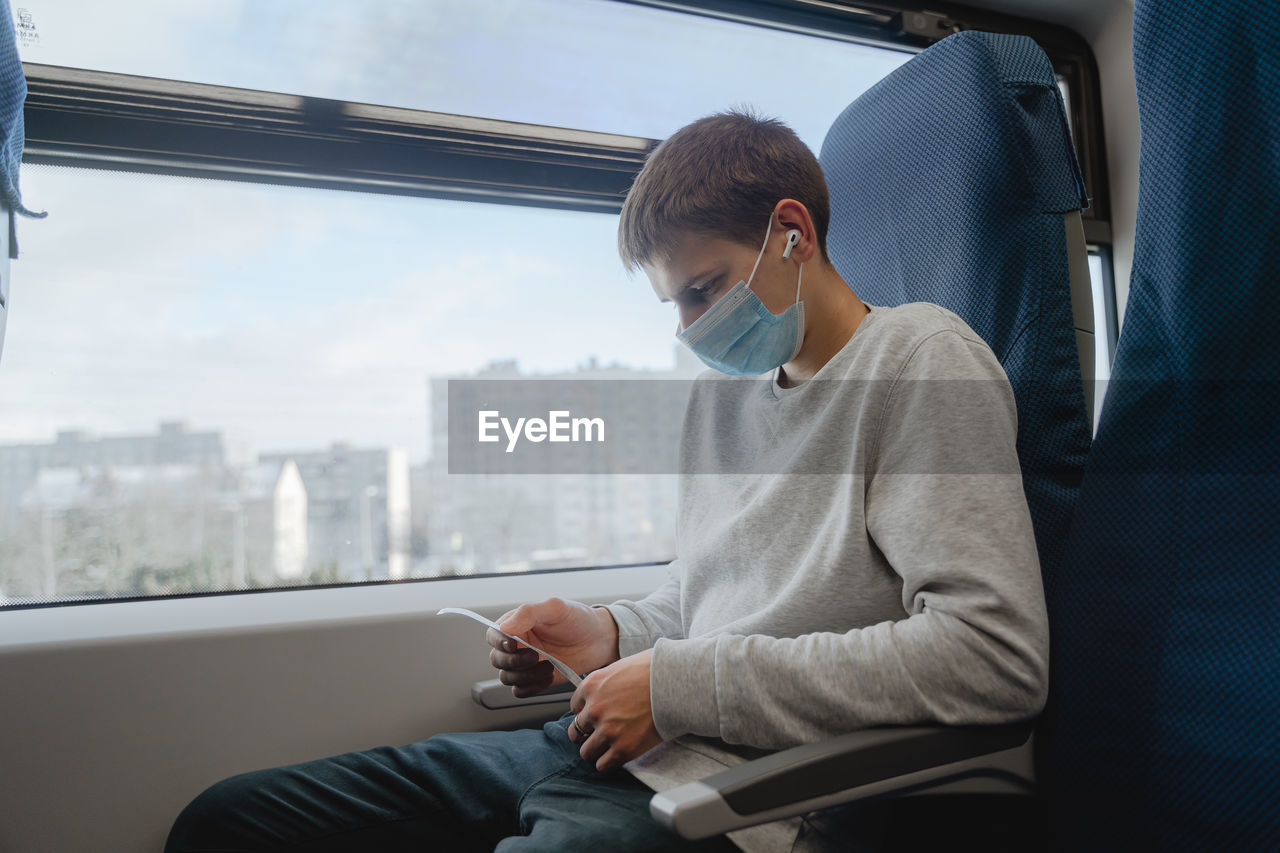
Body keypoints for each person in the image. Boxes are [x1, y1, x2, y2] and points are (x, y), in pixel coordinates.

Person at [164, 110, 1048, 853]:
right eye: (673, 303)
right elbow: (709, 599)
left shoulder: (921, 360)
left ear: (793, 233)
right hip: (605, 741)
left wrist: (677, 686)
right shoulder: (722, 400)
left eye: (703, 290)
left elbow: (992, 657)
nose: (690, 329)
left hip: (740, 787)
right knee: (229, 821)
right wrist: (610, 633)